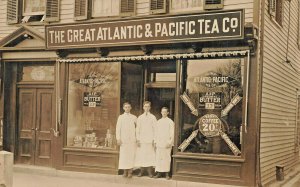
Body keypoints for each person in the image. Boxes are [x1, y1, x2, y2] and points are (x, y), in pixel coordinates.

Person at [135, 101, 157, 177]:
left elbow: (155, 129)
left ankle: (149, 172)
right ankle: (141, 171)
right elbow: (137, 129)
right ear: (143, 107)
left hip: (150, 140)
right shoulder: (140, 117)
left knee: (150, 156)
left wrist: (154, 140)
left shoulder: (153, 117)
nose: (146, 108)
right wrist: (138, 140)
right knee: (142, 155)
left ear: (150, 108)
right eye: (145, 106)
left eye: (148, 106)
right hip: (142, 140)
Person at [116, 102, 137, 178]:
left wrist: (137, 138)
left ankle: (130, 172)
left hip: (132, 140)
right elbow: (118, 129)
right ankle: (125, 171)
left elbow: (138, 129)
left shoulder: (134, 117)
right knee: (124, 156)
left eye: (128, 107)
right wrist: (118, 138)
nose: (127, 108)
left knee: (131, 155)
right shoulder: (121, 117)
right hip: (123, 140)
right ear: (123, 108)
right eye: (126, 107)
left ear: (131, 108)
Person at [154, 107, 175, 180]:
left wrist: (169, 142)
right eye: (163, 112)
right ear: (161, 112)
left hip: (166, 143)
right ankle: (159, 173)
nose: (164, 113)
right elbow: (156, 133)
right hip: (159, 143)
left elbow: (172, 133)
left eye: (165, 112)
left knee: (166, 158)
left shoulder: (170, 122)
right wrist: (155, 141)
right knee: (159, 158)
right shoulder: (158, 122)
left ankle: (166, 173)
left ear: (168, 113)